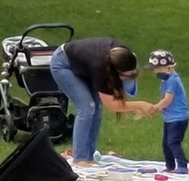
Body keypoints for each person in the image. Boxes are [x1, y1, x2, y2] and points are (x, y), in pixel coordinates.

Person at [48, 36, 158, 170]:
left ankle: (89, 155)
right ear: (116, 71)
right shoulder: (100, 67)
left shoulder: (124, 54)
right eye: (126, 76)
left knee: (97, 107)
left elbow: (119, 90)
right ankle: (80, 158)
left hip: (84, 66)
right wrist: (139, 105)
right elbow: (112, 105)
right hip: (63, 64)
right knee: (87, 107)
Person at [147, 49, 189, 173]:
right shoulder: (166, 80)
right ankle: (170, 166)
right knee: (166, 144)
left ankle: (182, 165)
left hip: (178, 118)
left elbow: (167, 100)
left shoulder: (173, 80)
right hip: (170, 118)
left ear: (169, 67)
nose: (155, 71)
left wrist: (155, 108)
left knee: (173, 142)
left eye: (158, 68)